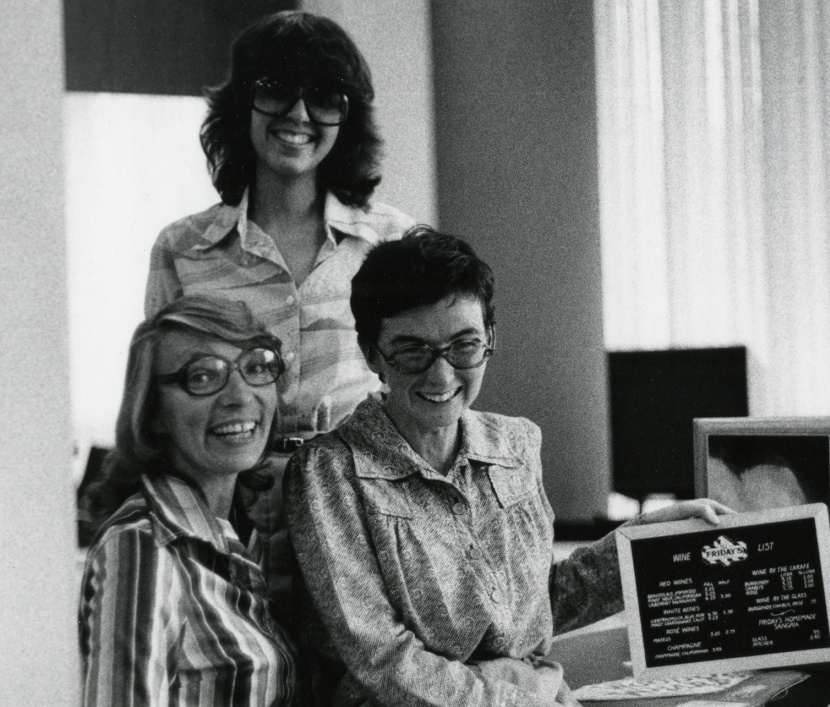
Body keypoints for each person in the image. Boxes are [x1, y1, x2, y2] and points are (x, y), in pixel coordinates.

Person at [286, 227, 732, 706]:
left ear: (490, 339)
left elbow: (537, 607)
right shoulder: (329, 473)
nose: (441, 375)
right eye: (413, 350)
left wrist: (649, 542)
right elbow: (382, 660)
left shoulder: (516, 443)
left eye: (464, 346)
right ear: (373, 353)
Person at [144, 10, 415, 598]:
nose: (298, 115)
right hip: (225, 539)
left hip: (368, 534)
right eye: (275, 92)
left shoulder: (397, 244)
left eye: (324, 98)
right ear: (242, 105)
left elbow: (421, 405)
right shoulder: (181, 251)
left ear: (349, 118)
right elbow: (163, 411)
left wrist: (315, 476)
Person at [78, 295, 297, 706]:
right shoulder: (143, 547)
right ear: (154, 412)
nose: (239, 395)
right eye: (201, 376)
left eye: (256, 367)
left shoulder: (240, 532)